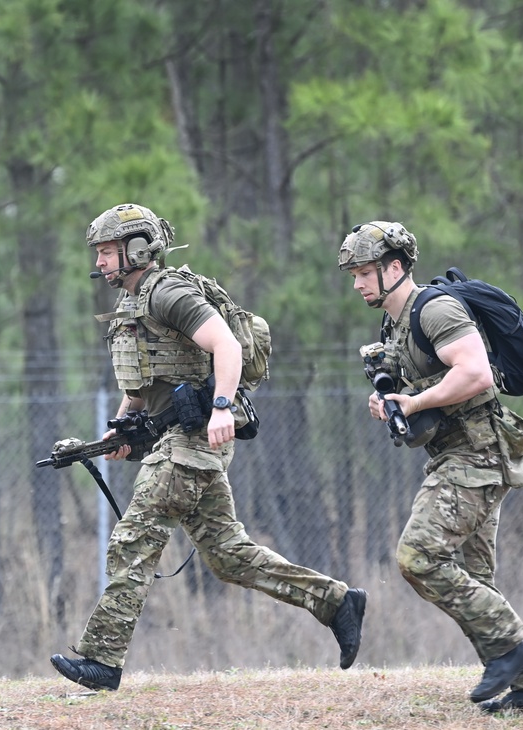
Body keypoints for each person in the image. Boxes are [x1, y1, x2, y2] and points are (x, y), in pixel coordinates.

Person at [50, 203, 366, 691]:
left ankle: (102, 659)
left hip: (194, 440)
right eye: (99, 253)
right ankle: (335, 601)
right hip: (178, 442)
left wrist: (221, 406)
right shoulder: (133, 303)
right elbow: (140, 384)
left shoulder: (168, 291)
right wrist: (121, 428)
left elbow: (227, 346)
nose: (101, 262)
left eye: (108, 252)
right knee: (229, 556)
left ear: (137, 249)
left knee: (134, 539)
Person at [338, 221, 523, 713]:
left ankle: (511, 646)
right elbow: (416, 387)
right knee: (475, 578)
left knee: (417, 557)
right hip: (458, 455)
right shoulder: (394, 324)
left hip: (478, 455)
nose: (356, 283)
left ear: (394, 267)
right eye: (352, 274)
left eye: (363, 272)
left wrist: (414, 402)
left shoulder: (435, 309)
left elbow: (476, 372)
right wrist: (390, 402)